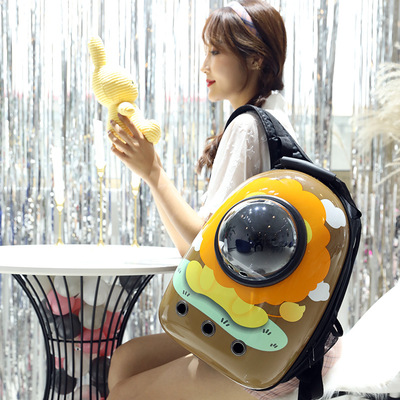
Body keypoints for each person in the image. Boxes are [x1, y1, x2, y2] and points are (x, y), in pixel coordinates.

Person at [106, 1, 339, 399]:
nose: (204, 66)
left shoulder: (247, 127)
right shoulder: (274, 120)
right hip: (291, 335)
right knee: (128, 360)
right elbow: (196, 253)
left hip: (266, 352)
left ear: (254, 58)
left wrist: (154, 172)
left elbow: (200, 248)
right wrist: (150, 174)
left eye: (215, 51)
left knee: (125, 391)